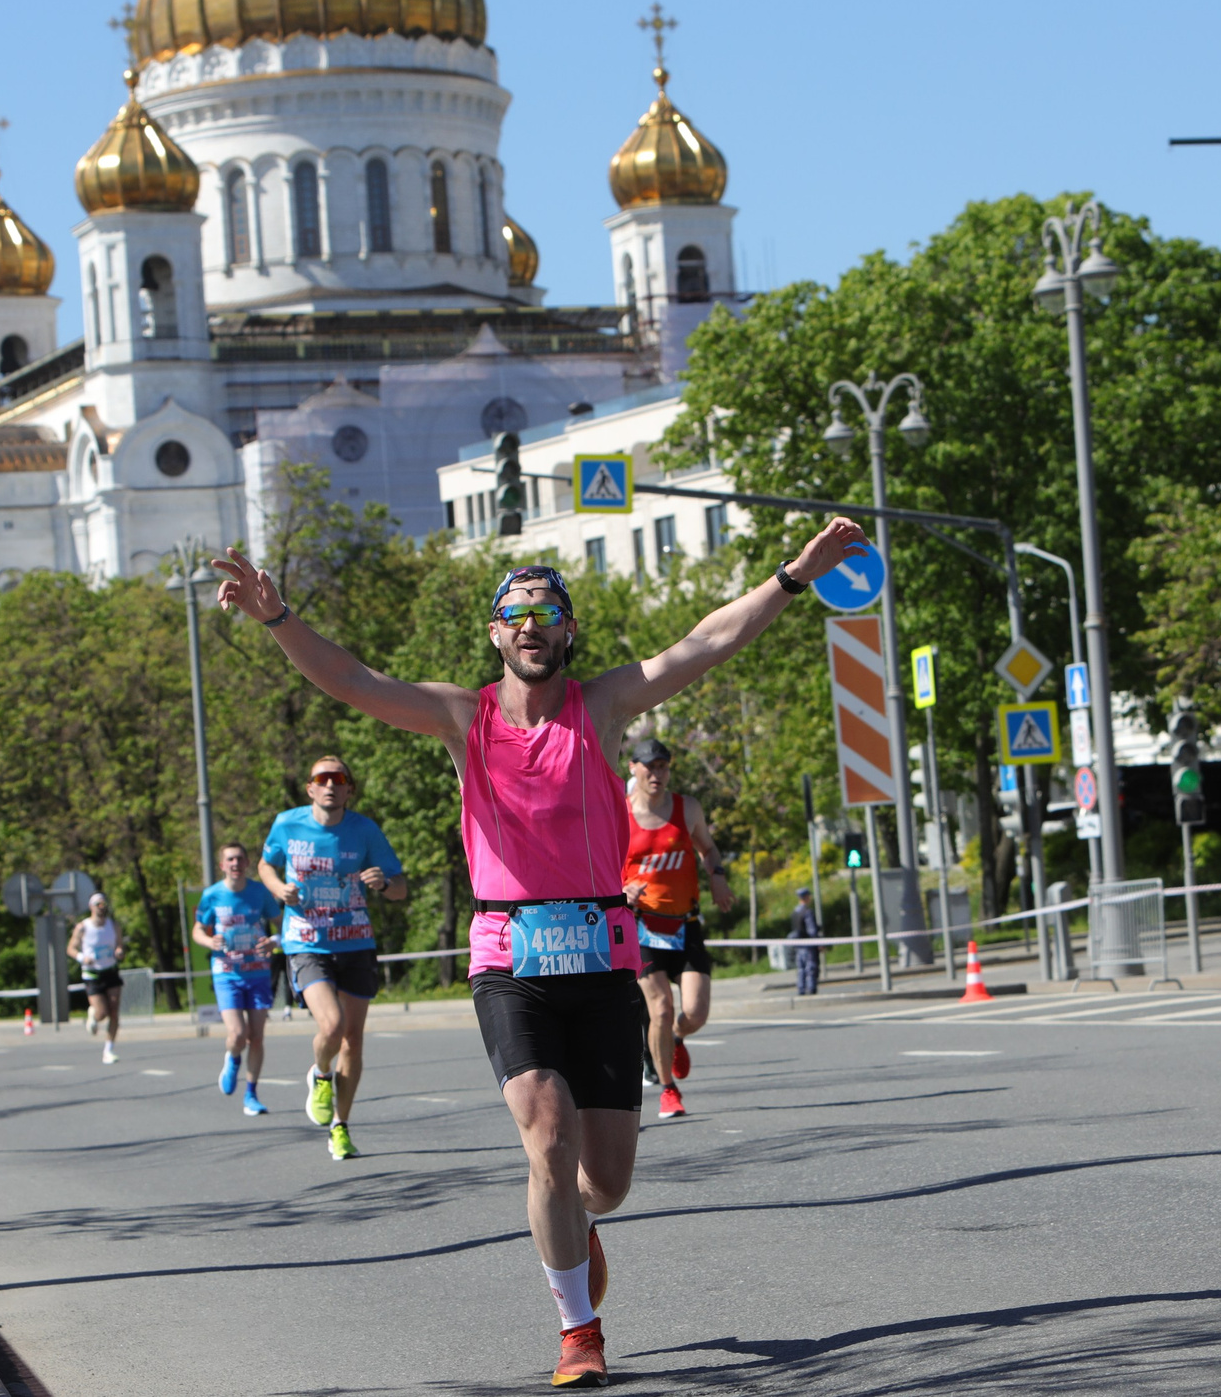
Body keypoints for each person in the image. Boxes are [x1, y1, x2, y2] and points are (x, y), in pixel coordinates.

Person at [214, 517, 865, 1387]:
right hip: (508, 955)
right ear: (496, 633)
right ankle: (578, 1331)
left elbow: (704, 641)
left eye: (546, 613)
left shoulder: (602, 705)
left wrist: (792, 575)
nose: (530, 625)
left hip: (601, 959)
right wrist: (277, 616)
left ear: (567, 632)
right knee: (546, 1135)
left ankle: (577, 1225)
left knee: (606, 1181)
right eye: (514, 614)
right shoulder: (462, 714)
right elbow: (352, 677)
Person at [259, 754, 406, 1162]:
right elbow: (265, 865)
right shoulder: (287, 824)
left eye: (338, 778)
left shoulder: (364, 830)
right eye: (322, 778)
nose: (330, 784)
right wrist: (277, 888)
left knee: (353, 1041)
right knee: (333, 1025)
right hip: (306, 941)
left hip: (356, 942)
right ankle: (321, 1073)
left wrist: (384, 882)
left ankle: (340, 1126)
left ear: (348, 789)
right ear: (310, 787)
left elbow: (400, 887)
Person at [620, 737, 732, 1122]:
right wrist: (621, 891)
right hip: (642, 927)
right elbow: (596, 869)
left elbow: (709, 850)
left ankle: (678, 1038)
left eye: (663, 766)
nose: (657, 773)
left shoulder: (687, 809)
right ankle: (668, 1089)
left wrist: (717, 876)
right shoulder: (617, 815)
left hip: (685, 924)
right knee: (661, 1009)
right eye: (649, 766)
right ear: (632, 767)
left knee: (696, 1013)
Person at [194, 842, 283, 1116]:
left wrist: (274, 942)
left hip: (257, 972)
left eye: (240, 859)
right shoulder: (212, 895)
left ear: (246, 863)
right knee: (237, 1034)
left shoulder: (260, 892)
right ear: (222, 865)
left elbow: (282, 926)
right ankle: (232, 1059)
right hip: (227, 973)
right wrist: (210, 941)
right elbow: (197, 930)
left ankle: (251, 1095)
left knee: (256, 1037)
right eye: (230, 860)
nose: (235, 864)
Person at [69, 894, 126, 1064]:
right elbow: (70, 948)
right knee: (102, 1013)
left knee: (114, 1011)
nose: (101, 907)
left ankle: (109, 1050)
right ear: (91, 907)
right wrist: (81, 957)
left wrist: (120, 951)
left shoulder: (113, 925)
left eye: (103, 904)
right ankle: (94, 1014)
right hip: (92, 973)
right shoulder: (83, 927)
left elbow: (120, 944)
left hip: (110, 970)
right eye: (97, 904)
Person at [788, 887, 823, 997]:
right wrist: (819, 943)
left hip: (798, 945)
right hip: (808, 945)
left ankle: (801, 988)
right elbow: (812, 930)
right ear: (806, 897)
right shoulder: (807, 912)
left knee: (801, 968)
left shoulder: (795, 912)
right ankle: (811, 988)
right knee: (811, 967)